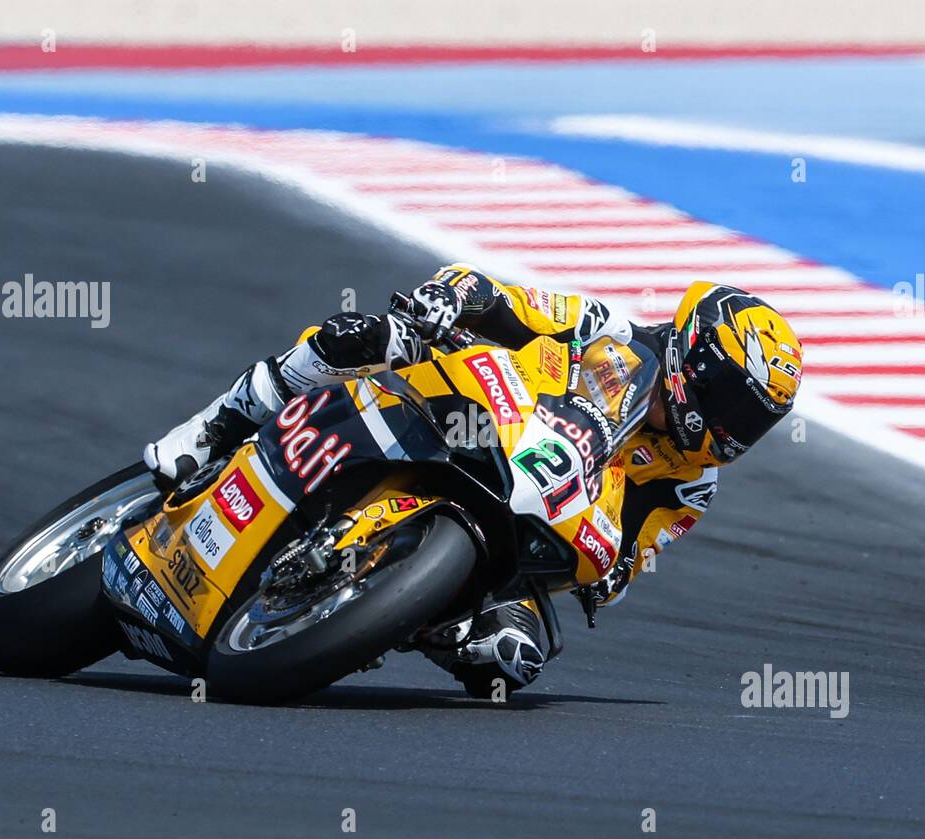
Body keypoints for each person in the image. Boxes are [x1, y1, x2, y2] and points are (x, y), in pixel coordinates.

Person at [145, 264, 803, 696]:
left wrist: (609, 570)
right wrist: (450, 298)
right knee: (358, 336)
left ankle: (404, 613)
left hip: (529, 519)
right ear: (696, 360)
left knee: (512, 657)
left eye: (755, 422)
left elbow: (627, 560)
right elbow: (496, 296)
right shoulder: (603, 329)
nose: (732, 429)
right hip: (468, 409)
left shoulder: (692, 484)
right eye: (733, 403)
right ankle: (215, 426)